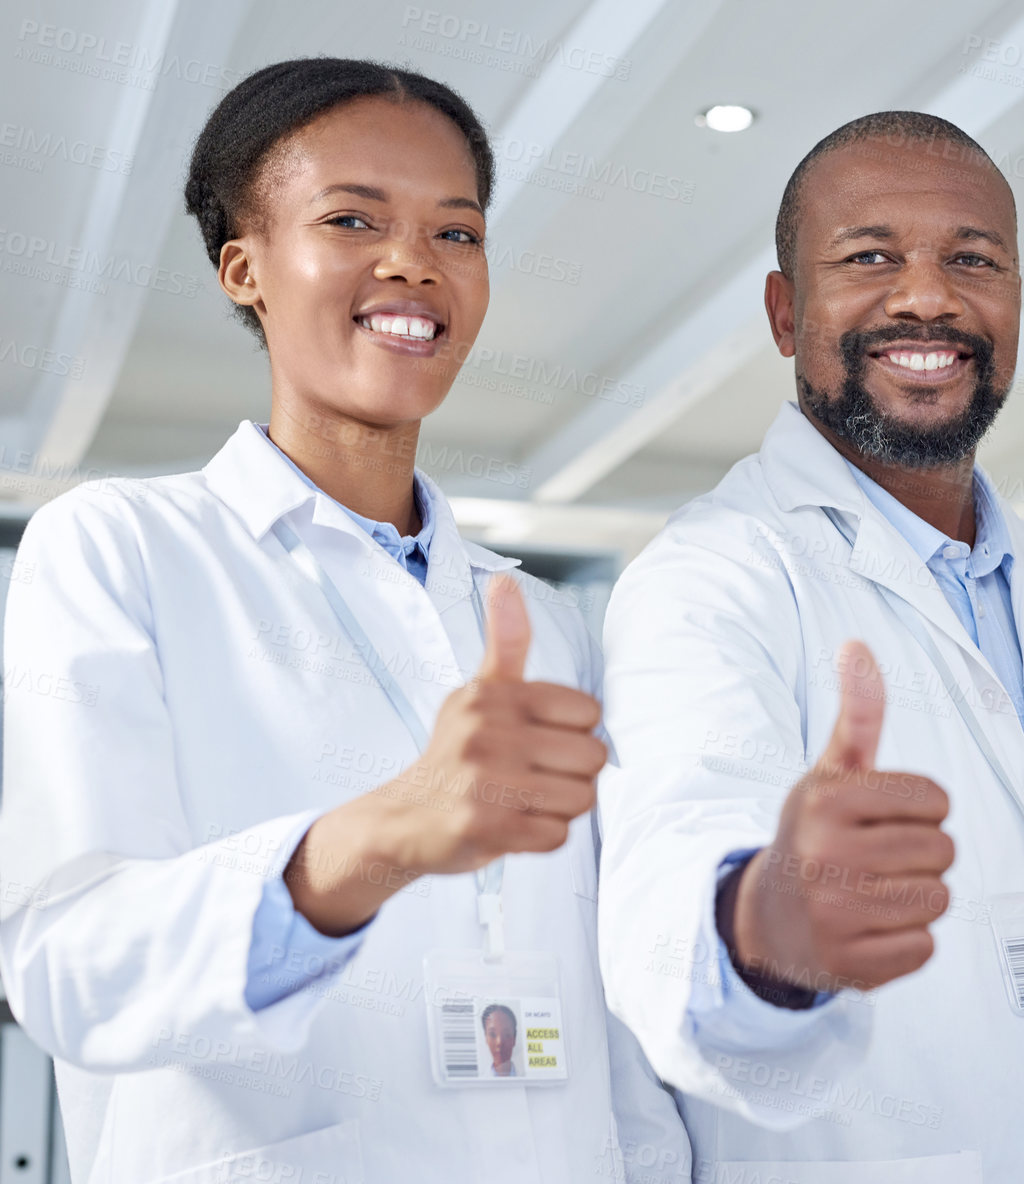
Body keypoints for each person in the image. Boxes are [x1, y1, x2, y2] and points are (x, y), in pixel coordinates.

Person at [0, 59, 687, 1183]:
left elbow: (606, 1023)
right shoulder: (117, 548)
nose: (413, 261)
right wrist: (371, 839)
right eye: (351, 218)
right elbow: (74, 963)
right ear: (245, 267)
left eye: (455, 233)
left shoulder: (545, 622)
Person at [596, 111, 1024, 1182]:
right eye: (870, 257)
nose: (928, 295)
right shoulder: (709, 577)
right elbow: (664, 887)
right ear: (786, 312)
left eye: (974, 259)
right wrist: (772, 920)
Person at [482, 1004, 523, 1078]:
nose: (499, 1042)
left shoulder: (527, 1078)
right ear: (486, 1038)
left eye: (506, 1035)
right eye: (492, 1034)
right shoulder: (478, 1083)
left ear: (514, 1039)